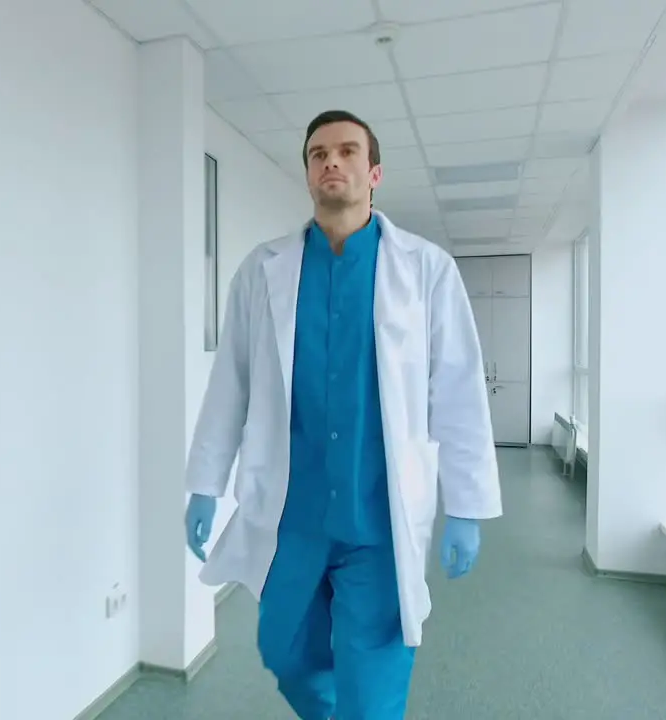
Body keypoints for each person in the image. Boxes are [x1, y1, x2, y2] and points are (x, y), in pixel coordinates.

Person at [183, 110, 501, 720]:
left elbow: (457, 390)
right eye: (318, 153)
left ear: (373, 172)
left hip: (377, 520)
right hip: (291, 516)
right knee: (285, 653)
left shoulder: (426, 269)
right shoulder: (261, 270)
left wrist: (467, 504)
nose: (332, 161)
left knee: (374, 677)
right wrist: (205, 483)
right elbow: (232, 382)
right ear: (307, 174)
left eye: (348, 151)